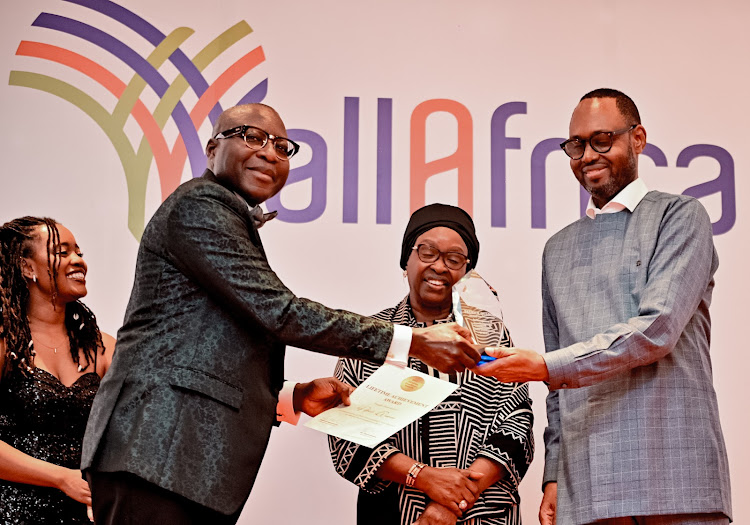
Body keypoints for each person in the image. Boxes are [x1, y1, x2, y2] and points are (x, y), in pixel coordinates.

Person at [81, 103, 482, 524]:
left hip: (179, 464)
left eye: (282, 147)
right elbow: (280, 312)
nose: (271, 153)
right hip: (159, 454)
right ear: (212, 148)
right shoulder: (200, 205)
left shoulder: (226, 217)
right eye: (252, 137)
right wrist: (411, 340)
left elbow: (214, 347)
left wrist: (294, 397)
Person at [475, 89, 732, 524]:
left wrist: (544, 366)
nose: (587, 155)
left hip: (675, 476)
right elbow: (556, 387)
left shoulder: (681, 216)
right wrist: (553, 474)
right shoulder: (556, 250)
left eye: (601, 139)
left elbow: (657, 329)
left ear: (638, 138)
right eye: (576, 145)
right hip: (588, 483)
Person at [330, 203, 534, 525]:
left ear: (466, 272)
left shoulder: (491, 334)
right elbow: (348, 435)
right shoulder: (371, 337)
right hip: (393, 513)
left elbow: (516, 423)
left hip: (484, 514)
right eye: (427, 252)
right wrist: (424, 478)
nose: (440, 267)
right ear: (406, 260)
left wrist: (453, 501)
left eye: (454, 259)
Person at [0, 216, 115, 524]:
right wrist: (62, 479)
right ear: (27, 268)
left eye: (78, 251)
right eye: (62, 252)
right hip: (13, 514)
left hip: (85, 514)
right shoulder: (3, 345)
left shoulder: (104, 349)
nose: (78, 260)